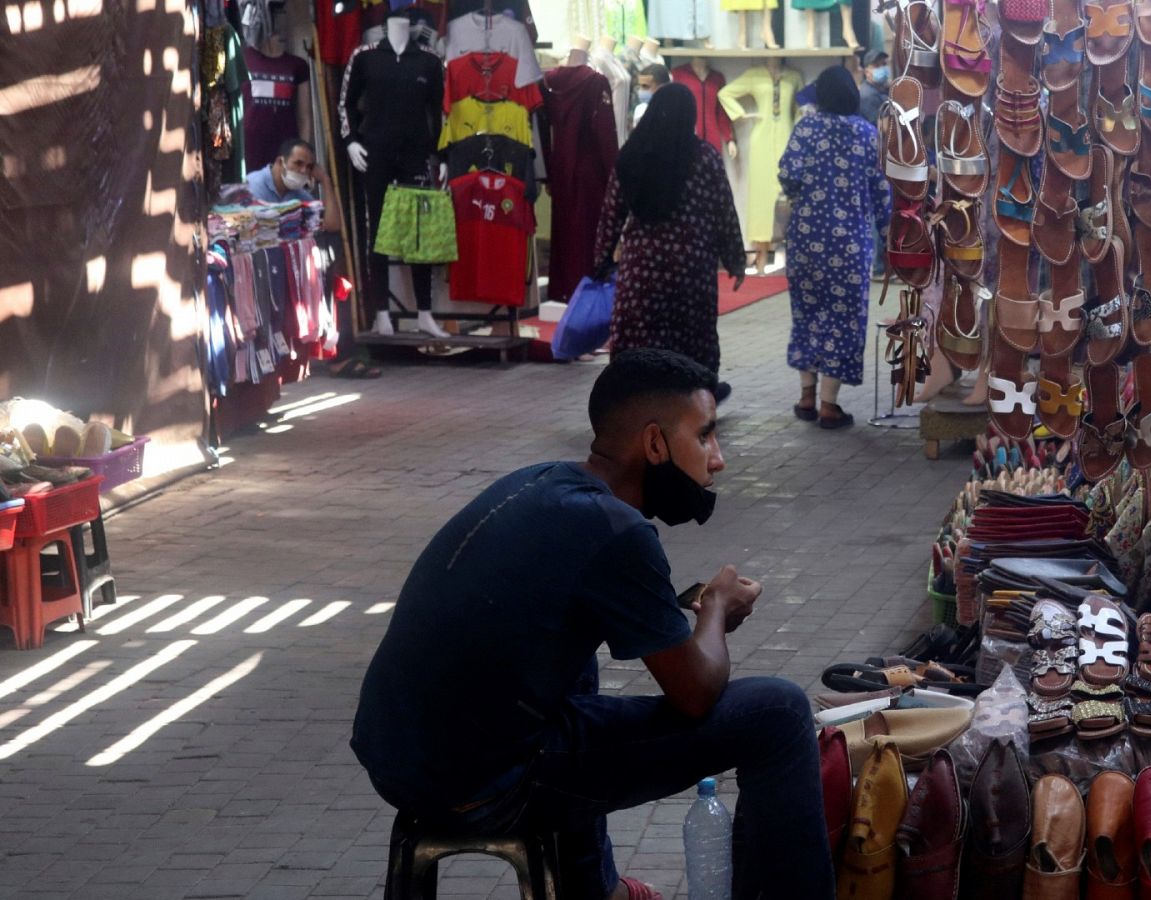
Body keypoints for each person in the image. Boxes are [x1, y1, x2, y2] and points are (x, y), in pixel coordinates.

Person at [351, 349, 834, 900]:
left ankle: (594, 889)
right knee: (778, 712)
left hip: (398, 754)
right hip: (475, 782)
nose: (717, 459)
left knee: (575, 659)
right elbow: (696, 694)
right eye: (704, 437)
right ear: (654, 444)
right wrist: (717, 610)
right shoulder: (616, 532)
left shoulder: (541, 481)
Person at [596, 84, 747, 403]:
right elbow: (723, 211)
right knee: (693, 338)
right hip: (691, 270)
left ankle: (636, 404)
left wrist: (601, 259)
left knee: (641, 340)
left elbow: (611, 212)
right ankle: (696, 401)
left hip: (642, 271)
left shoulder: (632, 156)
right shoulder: (704, 157)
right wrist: (735, 259)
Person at [778, 66, 890, 429]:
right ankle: (830, 405)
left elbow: (788, 174)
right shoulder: (866, 134)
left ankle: (806, 398)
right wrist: (890, 234)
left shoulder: (806, 127)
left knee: (807, 314)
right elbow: (881, 191)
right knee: (843, 320)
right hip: (849, 245)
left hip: (806, 240)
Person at [243, 138, 379, 380]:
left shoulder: (298, 193)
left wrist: (325, 180)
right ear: (280, 162)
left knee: (332, 260)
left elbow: (334, 224)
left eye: (308, 167)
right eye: (298, 164)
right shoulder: (253, 186)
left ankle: (338, 350)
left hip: (290, 266)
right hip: (261, 266)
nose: (302, 171)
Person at [632, 63, 671, 127]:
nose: (640, 91)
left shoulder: (675, 113)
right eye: (639, 86)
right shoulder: (640, 110)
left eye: (645, 86)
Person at [857, 51, 890, 121]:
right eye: (877, 66)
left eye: (884, 64)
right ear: (867, 72)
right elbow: (880, 126)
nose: (882, 69)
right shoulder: (868, 95)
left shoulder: (882, 88)